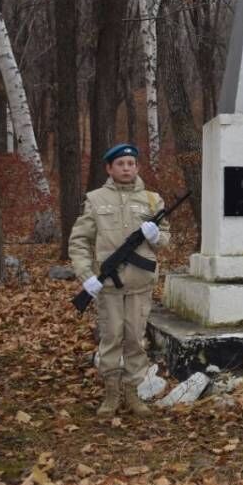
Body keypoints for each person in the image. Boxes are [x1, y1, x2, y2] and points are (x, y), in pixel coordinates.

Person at [69, 143, 170, 416]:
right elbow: (79, 241)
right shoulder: (95, 199)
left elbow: (166, 240)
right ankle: (111, 394)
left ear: (137, 167)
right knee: (112, 337)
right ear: (109, 168)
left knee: (136, 339)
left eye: (131, 163)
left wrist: (156, 237)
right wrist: (87, 276)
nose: (126, 168)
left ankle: (133, 393)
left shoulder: (152, 201)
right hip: (109, 286)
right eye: (120, 164)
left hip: (140, 284)